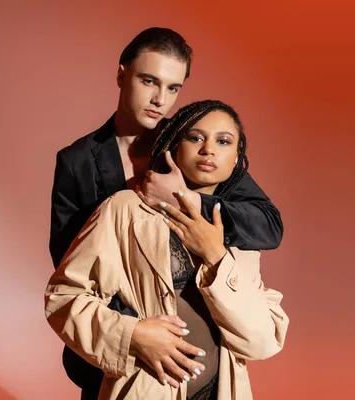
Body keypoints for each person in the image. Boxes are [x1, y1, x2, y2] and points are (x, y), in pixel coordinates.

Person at [48, 27, 283, 399]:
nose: (160, 99)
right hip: (120, 349)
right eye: (148, 81)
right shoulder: (78, 161)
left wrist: (183, 196)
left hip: (211, 352)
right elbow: (68, 262)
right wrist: (137, 333)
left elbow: (268, 226)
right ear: (122, 74)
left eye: (173, 88)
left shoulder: (195, 142)